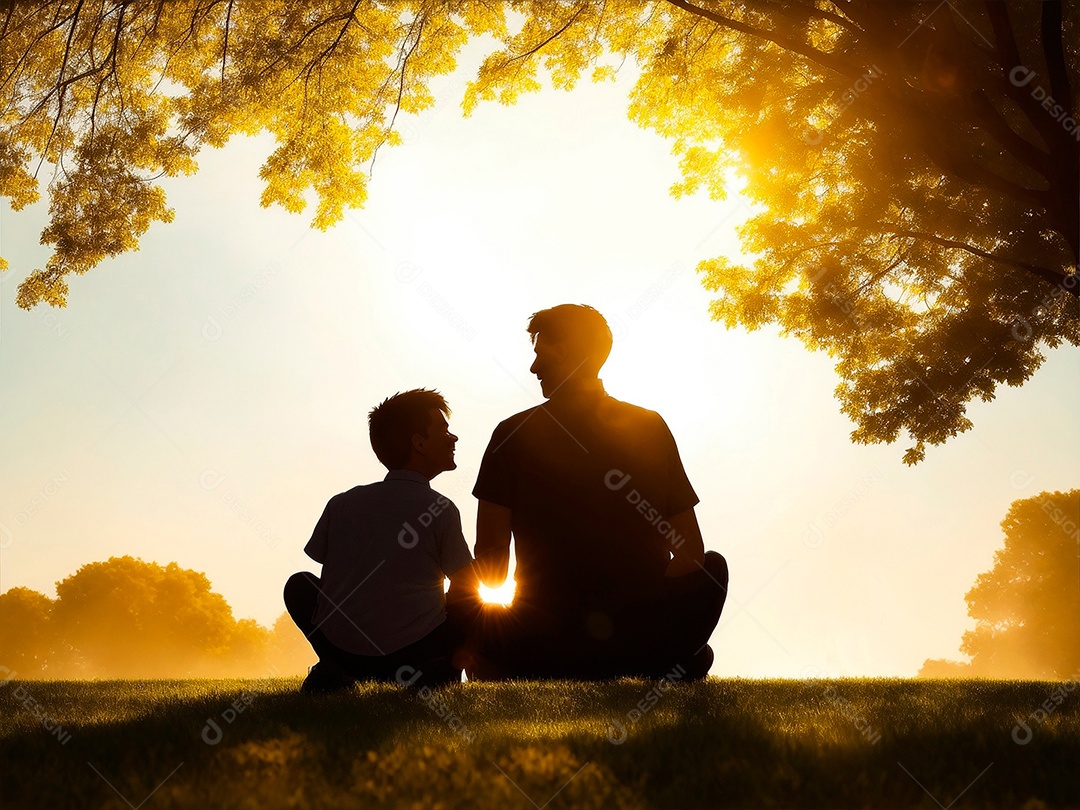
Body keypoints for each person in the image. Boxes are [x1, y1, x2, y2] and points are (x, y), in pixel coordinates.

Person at [465, 304, 728, 680]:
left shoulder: (510, 434)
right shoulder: (650, 427)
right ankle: (674, 657)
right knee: (714, 568)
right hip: (638, 642)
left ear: (567, 351)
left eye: (540, 353)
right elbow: (690, 552)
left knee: (462, 593)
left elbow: (491, 569)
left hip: (545, 647)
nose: (533, 367)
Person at [284, 389, 479, 693]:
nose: (453, 438)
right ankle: (440, 672)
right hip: (415, 655)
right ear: (418, 442)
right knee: (470, 587)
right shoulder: (440, 509)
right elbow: (467, 583)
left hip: (347, 655)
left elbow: (330, 571)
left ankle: (335, 669)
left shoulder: (340, 504)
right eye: (443, 429)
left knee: (299, 584)